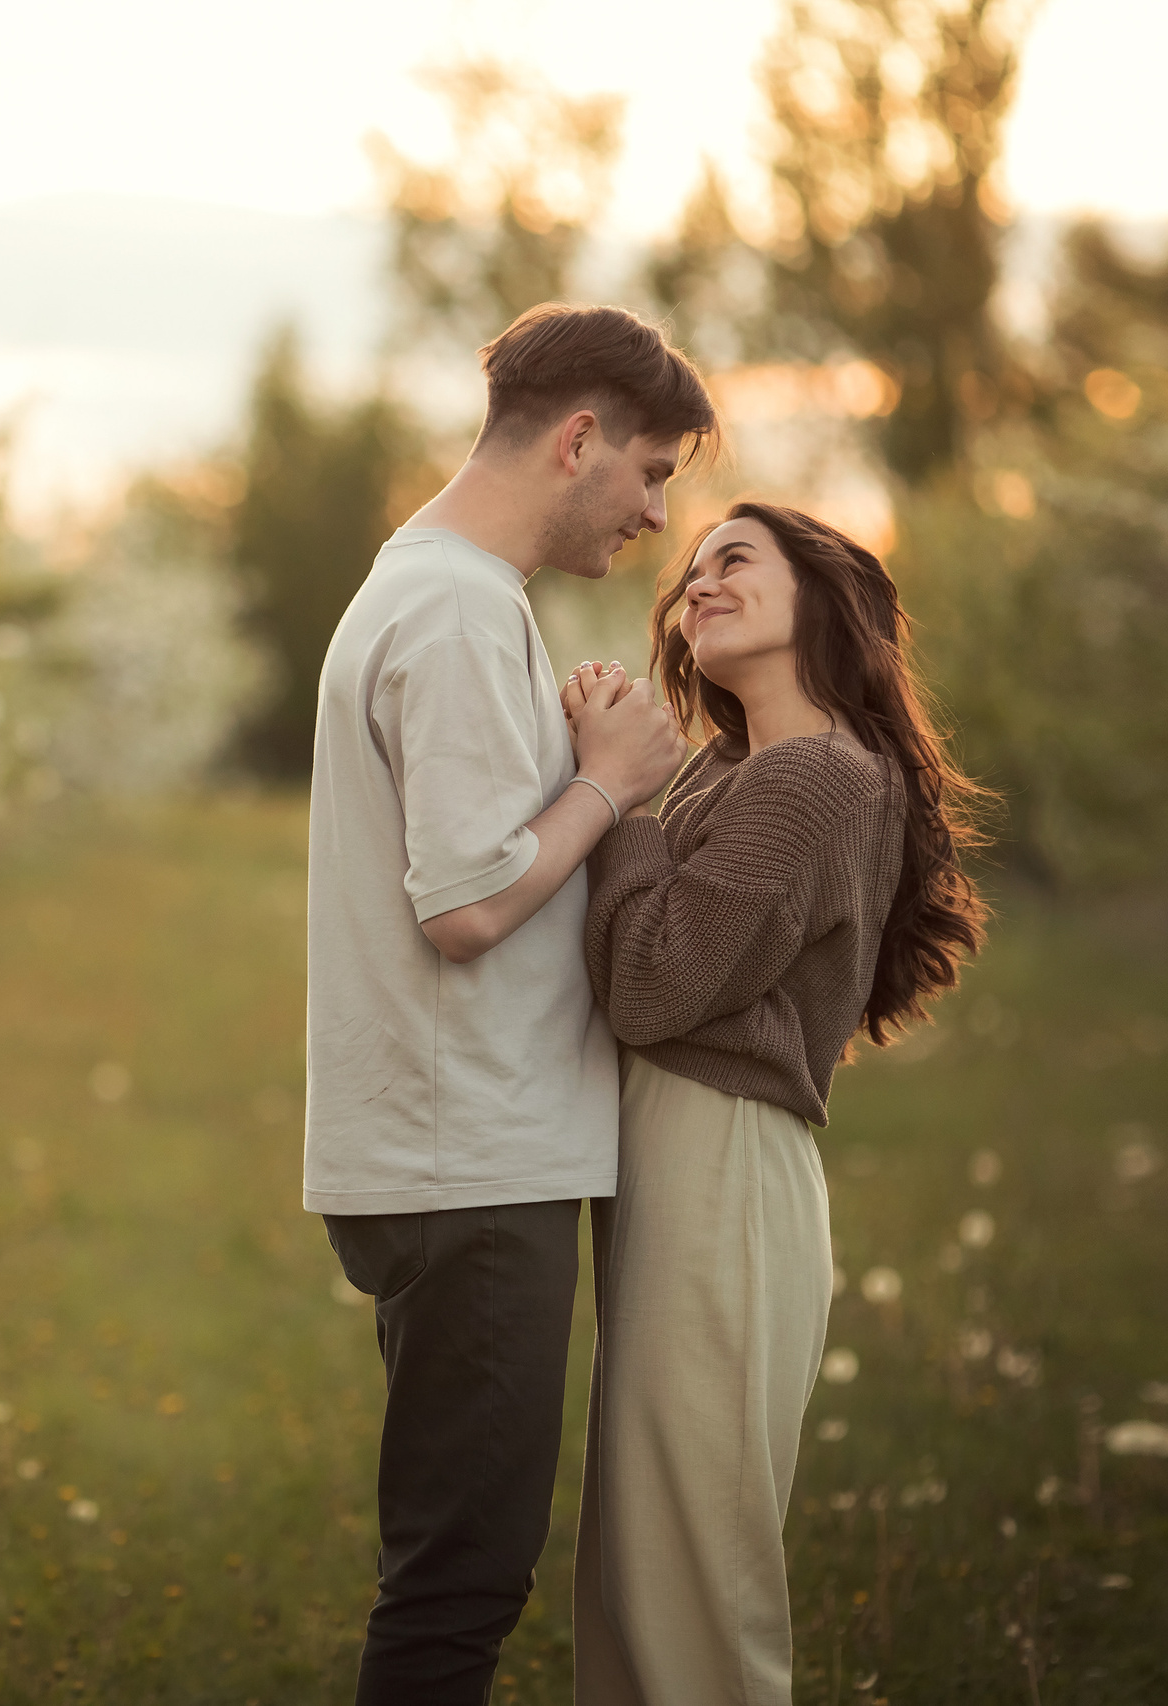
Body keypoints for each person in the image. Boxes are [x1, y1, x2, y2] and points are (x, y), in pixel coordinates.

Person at [304, 302, 713, 1703]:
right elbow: (467, 901)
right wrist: (613, 778)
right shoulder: (462, 605)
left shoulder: (429, 587)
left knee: (458, 1569)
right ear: (580, 438)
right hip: (465, 1156)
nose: (658, 514)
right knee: (459, 1583)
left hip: (454, 1150)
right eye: (653, 472)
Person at [564, 502, 988, 1703]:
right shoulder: (739, 767)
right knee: (638, 1561)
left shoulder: (814, 776)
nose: (696, 583)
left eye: (733, 559)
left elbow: (651, 980)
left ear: (823, 593)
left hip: (723, 1163)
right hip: (682, 1155)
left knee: (691, 1571)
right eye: (688, 570)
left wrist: (617, 802)